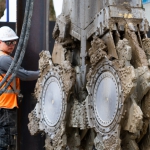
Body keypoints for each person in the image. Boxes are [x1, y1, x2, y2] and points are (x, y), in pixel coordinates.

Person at [0, 26, 39, 150]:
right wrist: (43, 72)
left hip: (5, 106)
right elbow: (25, 75)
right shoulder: (4, 59)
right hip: (6, 107)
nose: (12, 45)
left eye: (13, 42)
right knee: (7, 142)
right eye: (8, 42)